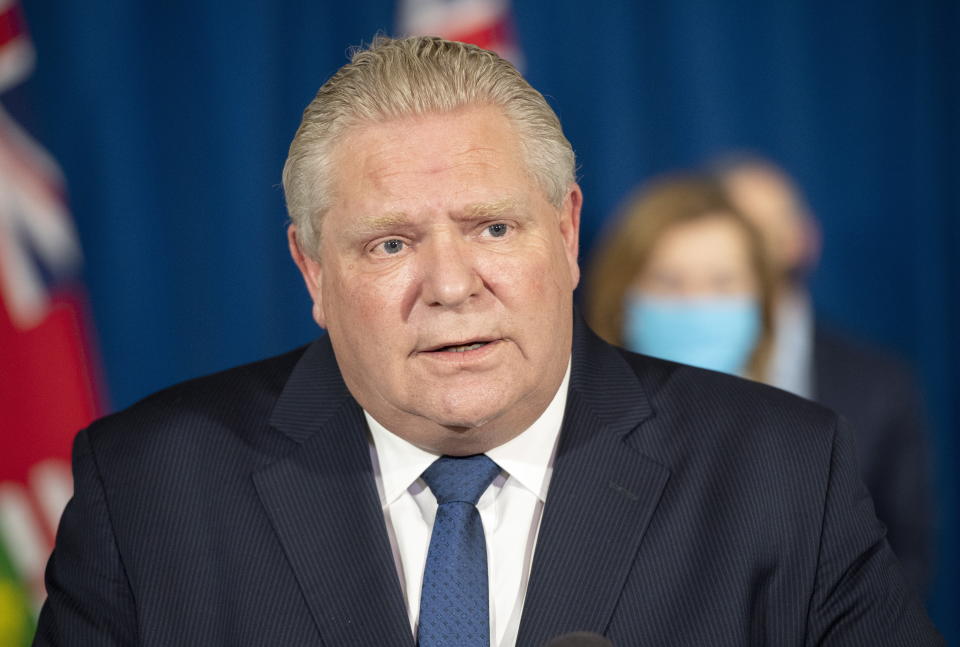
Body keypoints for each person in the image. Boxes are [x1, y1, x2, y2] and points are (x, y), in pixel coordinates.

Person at [34, 37, 942, 646]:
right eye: (391, 242)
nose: (453, 283)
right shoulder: (151, 489)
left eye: (493, 228)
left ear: (568, 233)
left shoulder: (780, 473)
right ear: (312, 272)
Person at [715, 156, 935, 594]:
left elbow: (907, 549)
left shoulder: (879, 383)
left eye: (768, 227)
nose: (756, 244)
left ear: (805, 238)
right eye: (738, 227)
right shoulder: (657, 355)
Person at [586, 174, 776, 382]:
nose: (695, 301)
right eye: (669, 282)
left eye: (722, 282)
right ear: (619, 300)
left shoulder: (792, 413)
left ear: (763, 299)